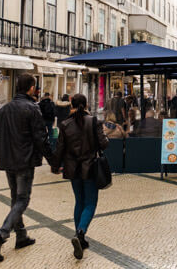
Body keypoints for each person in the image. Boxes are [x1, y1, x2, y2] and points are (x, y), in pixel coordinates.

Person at [0, 74, 51, 262]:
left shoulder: (4, 109)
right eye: (35, 87)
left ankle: (21, 236)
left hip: (7, 161)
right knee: (22, 200)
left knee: (15, 199)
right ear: (31, 88)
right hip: (25, 161)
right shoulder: (32, 108)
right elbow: (41, 138)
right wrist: (54, 161)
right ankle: (0, 236)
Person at [50, 93, 109, 259]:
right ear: (86, 105)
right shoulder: (93, 121)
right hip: (90, 168)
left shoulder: (65, 124)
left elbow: (60, 148)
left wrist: (55, 165)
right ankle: (81, 233)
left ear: (71, 105)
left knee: (79, 202)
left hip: (72, 168)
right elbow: (104, 143)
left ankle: (79, 238)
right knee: (90, 203)